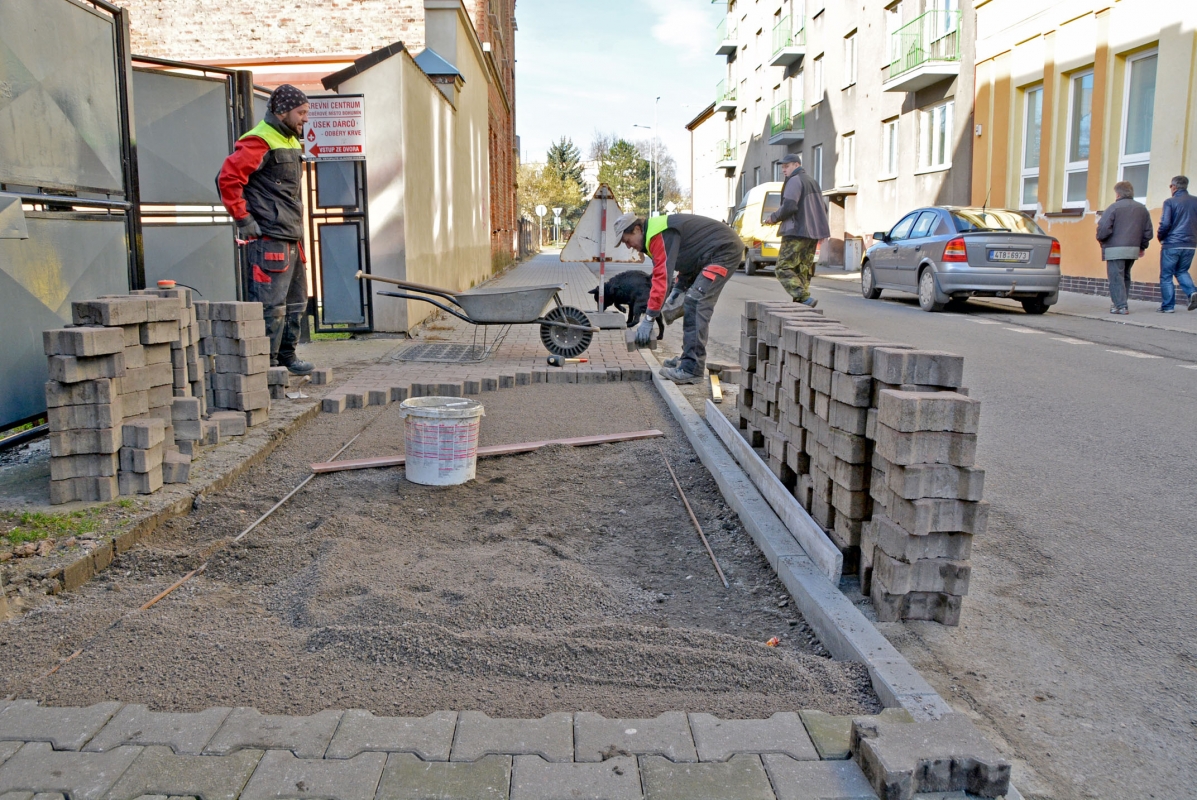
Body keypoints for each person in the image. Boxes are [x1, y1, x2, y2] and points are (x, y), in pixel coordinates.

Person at [218, 84, 314, 374]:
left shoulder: (291, 140)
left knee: (296, 302)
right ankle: (267, 367)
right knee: (270, 307)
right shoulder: (258, 141)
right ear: (282, 111)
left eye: (306, 113)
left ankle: (287, 357)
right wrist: (244, 220)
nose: (305, 119)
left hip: (290, 237)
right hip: (270, 239)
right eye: (301, 113)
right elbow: (227, 179)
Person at [614, 212, 742, 384]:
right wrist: (679, 288)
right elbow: (687, 256)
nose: (629, 246)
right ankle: (687, 358)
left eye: (627, 240)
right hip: (708, 255)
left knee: (696, 302)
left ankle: (692, 369)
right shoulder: (655, 234)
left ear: (637, 229)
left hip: (723, 251)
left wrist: (649, 318)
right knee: (690, 301)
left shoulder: (657, 234)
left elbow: (662, 277)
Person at [764, 153, 830, 307]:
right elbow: (823, 208)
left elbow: (789, 206)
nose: (783, 170)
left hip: (796, 231)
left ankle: (803, 298)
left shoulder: (794, 180)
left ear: (796, 165)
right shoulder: (812, 181)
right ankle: (801, 304)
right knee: (802, 269)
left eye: (786, 166)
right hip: (812, 233)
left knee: (782, 267)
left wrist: (773, 218)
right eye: (782, 167)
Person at [1096, 181, 1153, 315]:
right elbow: (1148, 232)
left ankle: (1120, 306)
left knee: (1116, 277)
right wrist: (1142, 246)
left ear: (1117, 194)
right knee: (1125, 276)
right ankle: (1121, 303)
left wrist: (1102, 241)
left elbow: (1103, 229)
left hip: (1115, 249)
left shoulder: (1114, 208)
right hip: (1133, 249)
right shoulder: (1142, 209)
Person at [1157, 175, 1197, 313]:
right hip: (1190, 244)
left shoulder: (1170, 202)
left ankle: (1168, 307)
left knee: (1166, 275)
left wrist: (1160, 237)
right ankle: (1192, 292)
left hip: (1172, 244)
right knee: (1182, 271)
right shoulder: (1195, 201)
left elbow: (1165, 223)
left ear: (1174, 187)